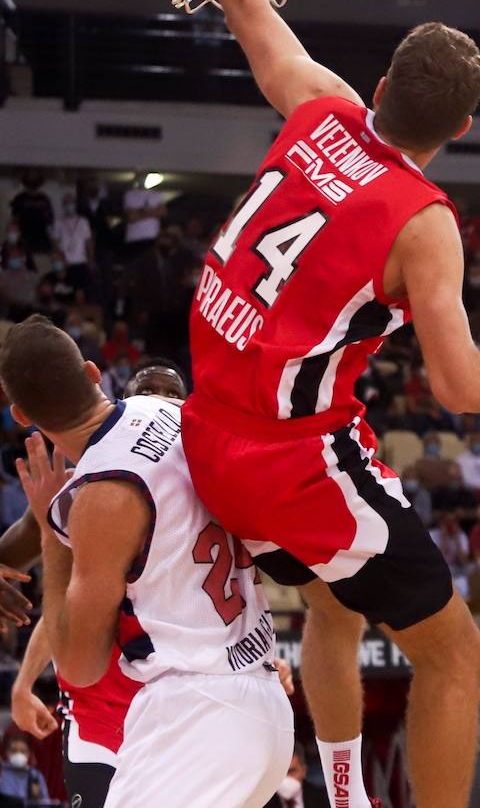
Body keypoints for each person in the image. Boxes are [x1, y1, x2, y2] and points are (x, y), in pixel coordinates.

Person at [159, 0, 480, 808]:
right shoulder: (423, 221)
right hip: (289, 463)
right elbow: (461, 388)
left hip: (212, 432)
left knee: (339, 605)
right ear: (461, 130)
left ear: (379, 85)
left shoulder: (320, 106)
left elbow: (247, 2)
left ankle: (341, 788)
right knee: (455, 653)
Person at [0, 315, 293, 807]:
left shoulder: (102, 498)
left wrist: (52, 536)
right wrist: (49, 519)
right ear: (94, 374)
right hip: (260, 704)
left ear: (21, 416)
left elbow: (78, 665)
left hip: (197, 712)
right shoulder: (164, 409)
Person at [10, 359, 191, 808]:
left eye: (170, 395)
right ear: (124, 404)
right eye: (148, 391)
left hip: (170, 703)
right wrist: (24, 682)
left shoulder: (203, 478)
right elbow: (66, 605)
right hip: (96, 710)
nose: (159, 401)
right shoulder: (91, 486)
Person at [0, 734, 49, 804]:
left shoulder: (35, 776)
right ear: (7, 752)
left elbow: (46, 803)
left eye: (23, 751)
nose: (18, 754)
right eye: (14, 751)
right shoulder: (2, 773)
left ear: (28, 753)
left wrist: (37, 796)